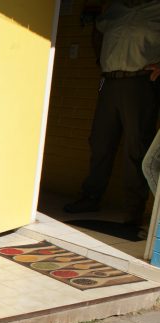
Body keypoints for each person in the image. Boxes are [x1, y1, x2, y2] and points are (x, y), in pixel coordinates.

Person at [63, 0, 160, 228]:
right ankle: (90, 197)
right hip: (109, 81)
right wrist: (100, 58)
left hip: (142, 82)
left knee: (136, 148)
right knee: (100, 142)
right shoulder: (116, 8)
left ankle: (133, 210)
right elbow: (98, 29)